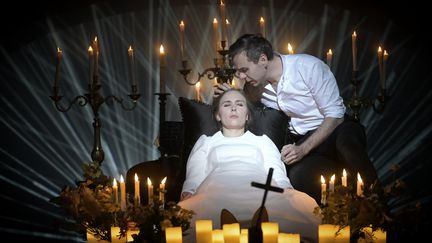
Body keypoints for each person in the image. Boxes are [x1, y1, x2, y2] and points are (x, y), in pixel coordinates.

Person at [215, 33, 379, 203]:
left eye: (244, 70)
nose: (240, 77)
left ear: (263, 59)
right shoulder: (254, 86)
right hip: (304, 138)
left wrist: (302, 149)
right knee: (299, 176)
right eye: (238, 72)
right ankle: (340, 218)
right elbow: (242, 106)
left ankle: (379, 209)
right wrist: (229, 94)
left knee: (348, 147)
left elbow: (336, 115)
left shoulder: (308, 66)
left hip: (336, 128)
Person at [178, 89, 320, 243]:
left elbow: (276, 170)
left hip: (260, 185)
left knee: (301, 209)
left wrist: (286, 188)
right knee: (190, 217)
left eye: (239, 104)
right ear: (218, 115)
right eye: (227, 105)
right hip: (218, 185)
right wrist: (189, 190)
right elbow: (195, 172)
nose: (233, 108)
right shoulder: (207, 141)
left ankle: (259, 229)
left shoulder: (262, 141)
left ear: (247, 115)